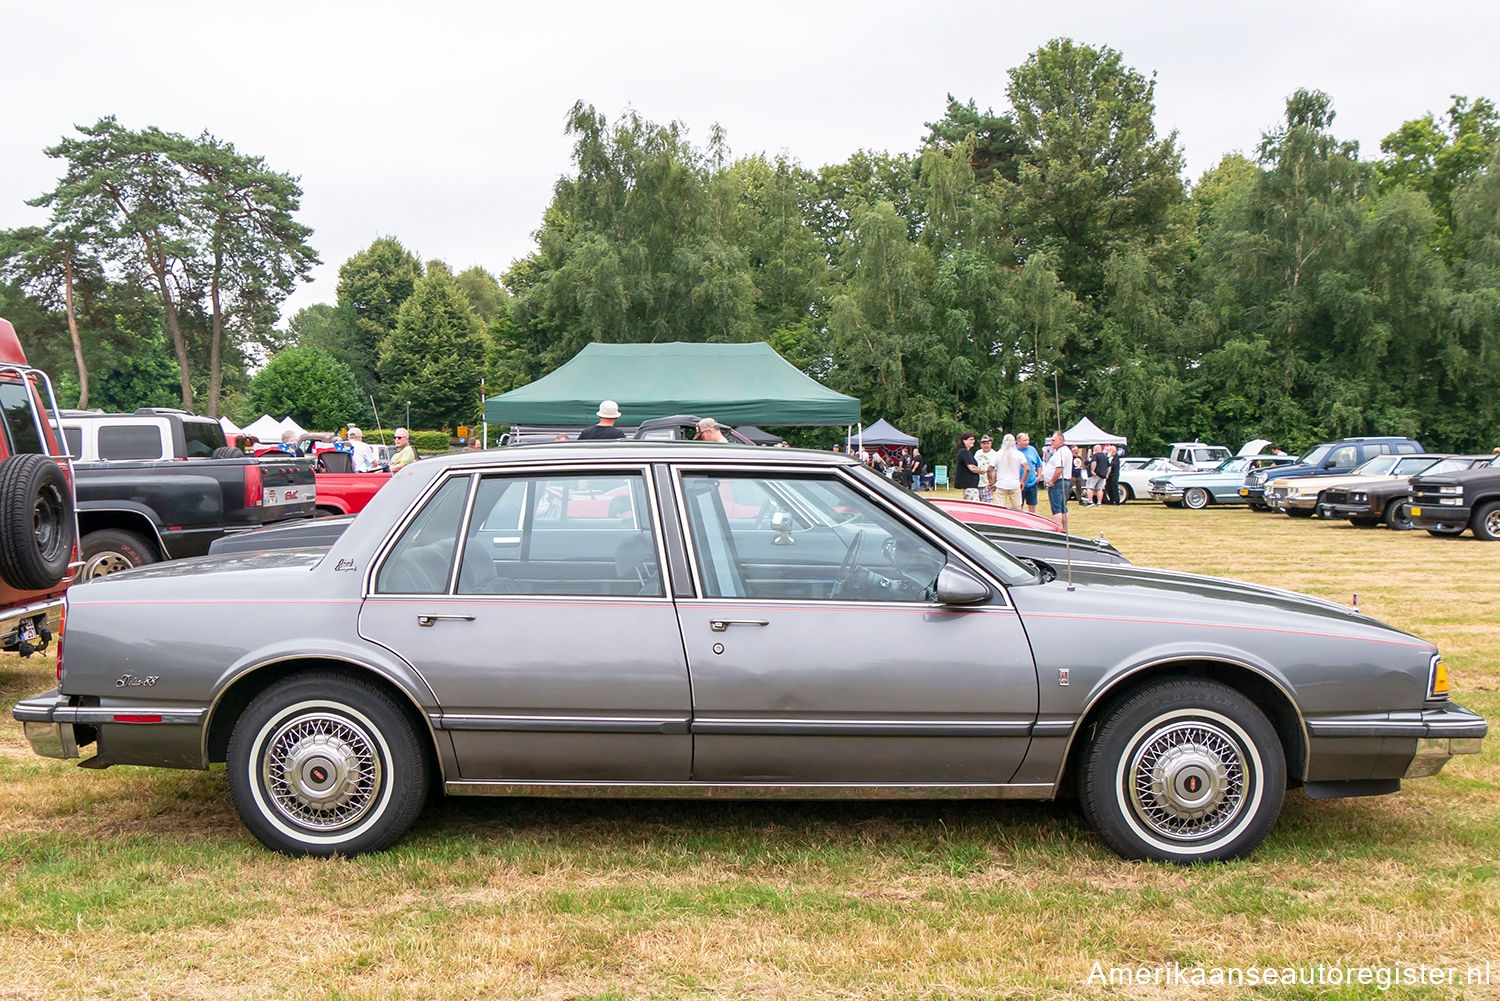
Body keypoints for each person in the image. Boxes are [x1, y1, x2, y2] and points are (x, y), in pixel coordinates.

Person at [1041, 430, 1073, 531]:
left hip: (1058, 482)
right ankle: (1064, 529)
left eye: (1054, 440)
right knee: (1063, 507)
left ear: (1060, 440)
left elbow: (1059, 469)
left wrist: (1051, 482)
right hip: (1063, 481)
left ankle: (1058, 529)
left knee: (1057, 508)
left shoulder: (1061, 452)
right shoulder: (1064, 451)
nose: (1052, 443)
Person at [991, 434, 1026, 509]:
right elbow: (1027, 468)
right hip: (1015, 484)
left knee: (999, 508)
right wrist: (1022, 481)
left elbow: (990, 468)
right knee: (1018, 508)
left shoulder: (997, 454)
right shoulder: (1019, 454)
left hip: (1001, 484)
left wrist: (991, 482)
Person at [1016, 433, 1041, 513]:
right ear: (1018, 441)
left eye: (1028, 440)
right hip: (1018, 483)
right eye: (1024, 440)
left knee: (1032, 505)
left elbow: (1039, 464)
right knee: (1019, 506)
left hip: (1032, 482)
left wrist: (1039, 475)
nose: (1027, 442)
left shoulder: (1032, 450)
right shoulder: (1013, 451)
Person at [954, 431, 982, 501]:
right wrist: (982, 471)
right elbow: (971, 468)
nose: (973, 441)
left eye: (973, 439)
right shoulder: (964, 452)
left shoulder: (966, 452)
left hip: (970, 485)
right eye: (971, 439)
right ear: (964, 440)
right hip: (970, 485)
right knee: (974, 504)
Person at [975, 434, 997, 503]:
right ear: (981, 444)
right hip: (978, 482)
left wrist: (993, 483)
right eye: (984, 443)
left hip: (988, 484)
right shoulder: (978, 453)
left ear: (991, 444)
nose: (986, 445)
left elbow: (997, 470)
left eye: (988, 443)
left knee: (988, 504)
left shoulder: (994, 454)